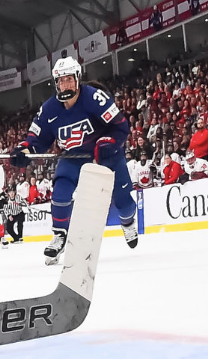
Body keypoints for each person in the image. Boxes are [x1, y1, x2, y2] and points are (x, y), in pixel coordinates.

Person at [11, 56, 138, 264]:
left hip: (106, 154)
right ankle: (60, 235)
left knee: (123, 200)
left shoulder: (95, 98)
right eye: (61, 81)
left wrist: (108, 143)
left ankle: (128, 221)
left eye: (69, 79)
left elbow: (121, 127)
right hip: (73, 157)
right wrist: (25, 150)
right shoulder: (49, 109)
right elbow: (37, 139)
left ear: (78, 78)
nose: (65, 85)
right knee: (60, 190)